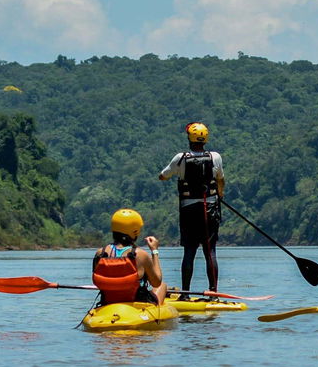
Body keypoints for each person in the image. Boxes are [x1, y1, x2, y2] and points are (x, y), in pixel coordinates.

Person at [158, 122, 225, 292]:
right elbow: (220, 180)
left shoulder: (180, 158)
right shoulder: (215, 157)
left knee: (189, 251)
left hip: (189, 211)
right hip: (210, 209)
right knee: (210, 251)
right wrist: (220, 195)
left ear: (189, 138)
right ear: (205, 139)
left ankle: (185, 292)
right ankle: (213, 292)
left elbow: (163, 176)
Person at [92, 208, 167, 305]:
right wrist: (154, 251)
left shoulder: (100, 253)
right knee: (162, 286)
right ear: (135, 231)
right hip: (135, 303)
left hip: (107, 303)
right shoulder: (140, 255)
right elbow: (156, 282)